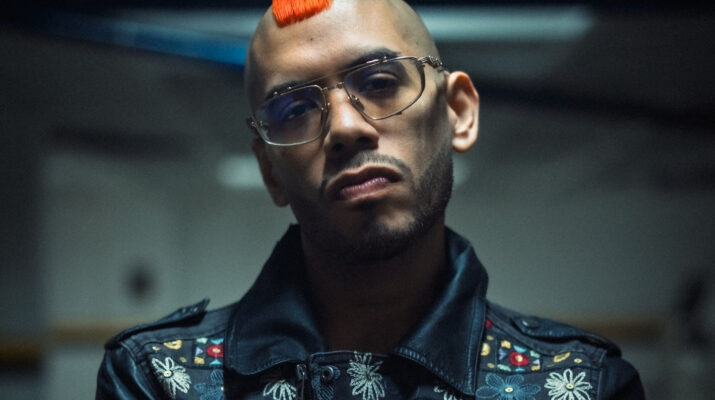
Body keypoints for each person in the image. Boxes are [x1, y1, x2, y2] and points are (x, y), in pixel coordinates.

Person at [96, 1, 645, 399]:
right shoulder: (159, 379)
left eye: (380, 82)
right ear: (269, 170)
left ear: (457, 112)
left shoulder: (579, 383)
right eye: (294, 110)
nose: (346, 129)